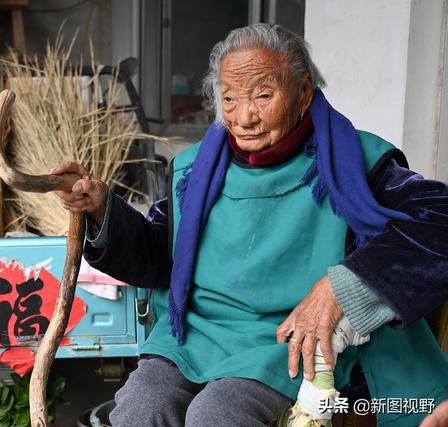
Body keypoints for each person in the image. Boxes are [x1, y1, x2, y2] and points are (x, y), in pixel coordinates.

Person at [52, 23, 448, 426]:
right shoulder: (194, 171)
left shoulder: (357, 162)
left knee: (217, 414)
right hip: (196, 333)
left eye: (263, 95)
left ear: (303, 93)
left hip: (287, 341)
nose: (244, 117)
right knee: (140, 407)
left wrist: (340, 287)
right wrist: (103, 211)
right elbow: (158, 257)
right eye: (229, 98)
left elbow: (439, 222)